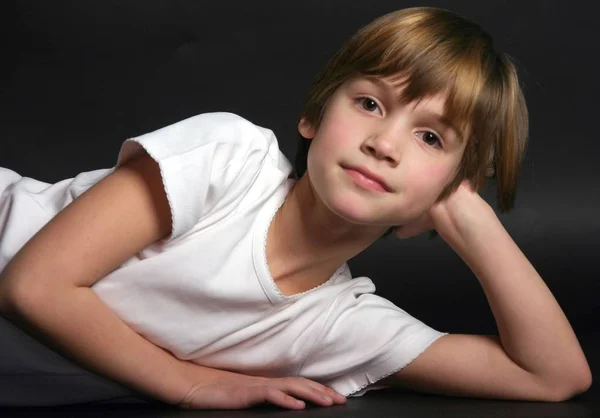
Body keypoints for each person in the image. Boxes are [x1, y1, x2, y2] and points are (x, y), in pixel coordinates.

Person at [0, 6, 591, 411]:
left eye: (431, 138)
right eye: (369, 103)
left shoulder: (338, 326)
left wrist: (473, 221)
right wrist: (189, 384)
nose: (384, 144)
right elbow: (33, 285)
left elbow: (554, 377)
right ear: (313, 115)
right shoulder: (229, 160)